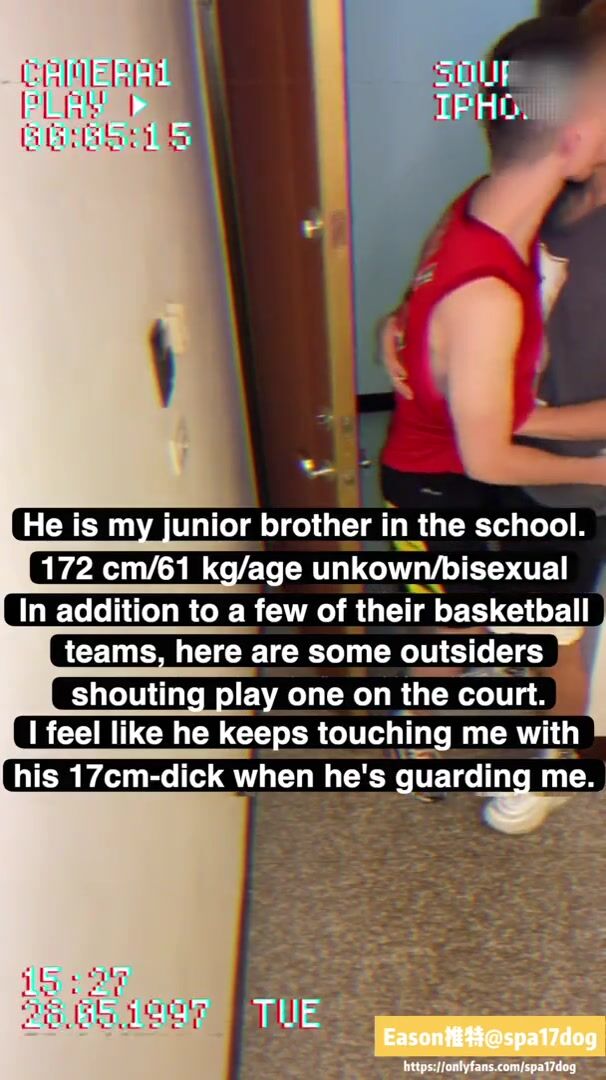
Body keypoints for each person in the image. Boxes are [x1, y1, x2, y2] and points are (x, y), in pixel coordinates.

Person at [378, 15, 606, 833]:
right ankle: (468, 751)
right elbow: (490, 457)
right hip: (476, 476)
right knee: (516, 623)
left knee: (522, 625)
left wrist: (410, 326)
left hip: (481, 475)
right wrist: (408, 322)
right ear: (574, 137)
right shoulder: (511, 250)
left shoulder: (487, 205)